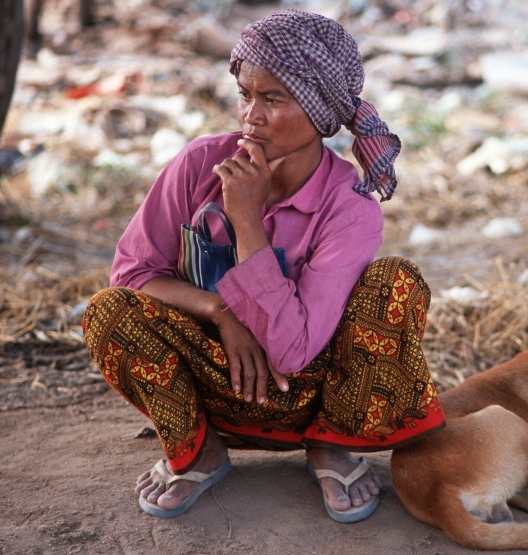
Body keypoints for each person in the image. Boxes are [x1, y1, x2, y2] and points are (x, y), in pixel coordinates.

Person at [82, 9, 445, 524]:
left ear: (320, 113)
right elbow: (134, 273)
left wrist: (246, 220)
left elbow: (294, 354)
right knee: (107, 311)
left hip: (313, 390)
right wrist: (220, 310)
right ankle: (199, 448)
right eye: (245, 94)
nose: (250, 115)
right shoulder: (198, 165)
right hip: (218, 380)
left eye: (273, 99)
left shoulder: (350, 207)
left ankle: (329, 444)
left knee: (396, 284)